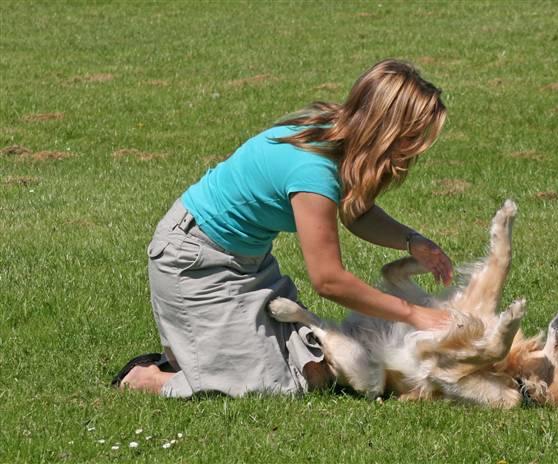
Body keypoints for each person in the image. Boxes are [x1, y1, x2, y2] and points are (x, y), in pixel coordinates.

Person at [113, 59, 453, 397]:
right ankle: (149, 378)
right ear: (386, 129)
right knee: (271, 385)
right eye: (411, 139)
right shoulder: (314, 170)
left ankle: (204, 355)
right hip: (193, 263)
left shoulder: (336, 132)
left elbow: (356, 214)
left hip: (247, 264)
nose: (412, 152)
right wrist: (413, 314)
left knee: (315, 367)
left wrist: (411, 241)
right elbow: (328, 280)